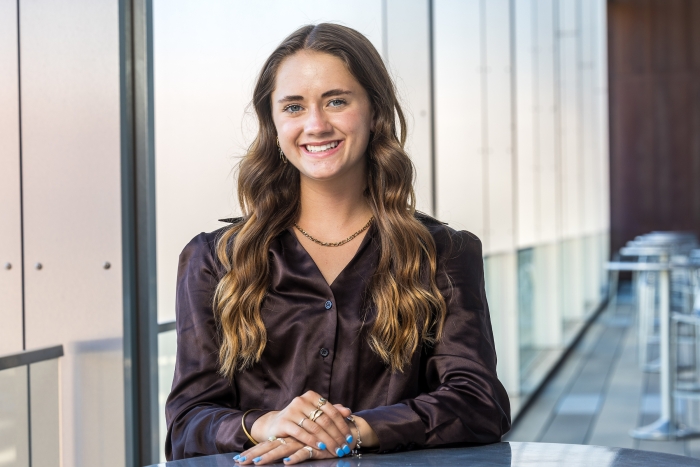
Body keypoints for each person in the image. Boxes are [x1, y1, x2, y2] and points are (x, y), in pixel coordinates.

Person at [165, 23, 511, 465]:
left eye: (336, 101)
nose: (315, 124)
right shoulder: (214, 261)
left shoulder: (443, 253)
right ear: (273, 123)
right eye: (293, 106)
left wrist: (353, 431)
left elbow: (479, 402)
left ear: (374, 111)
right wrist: (264, 425)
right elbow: (186, 424)